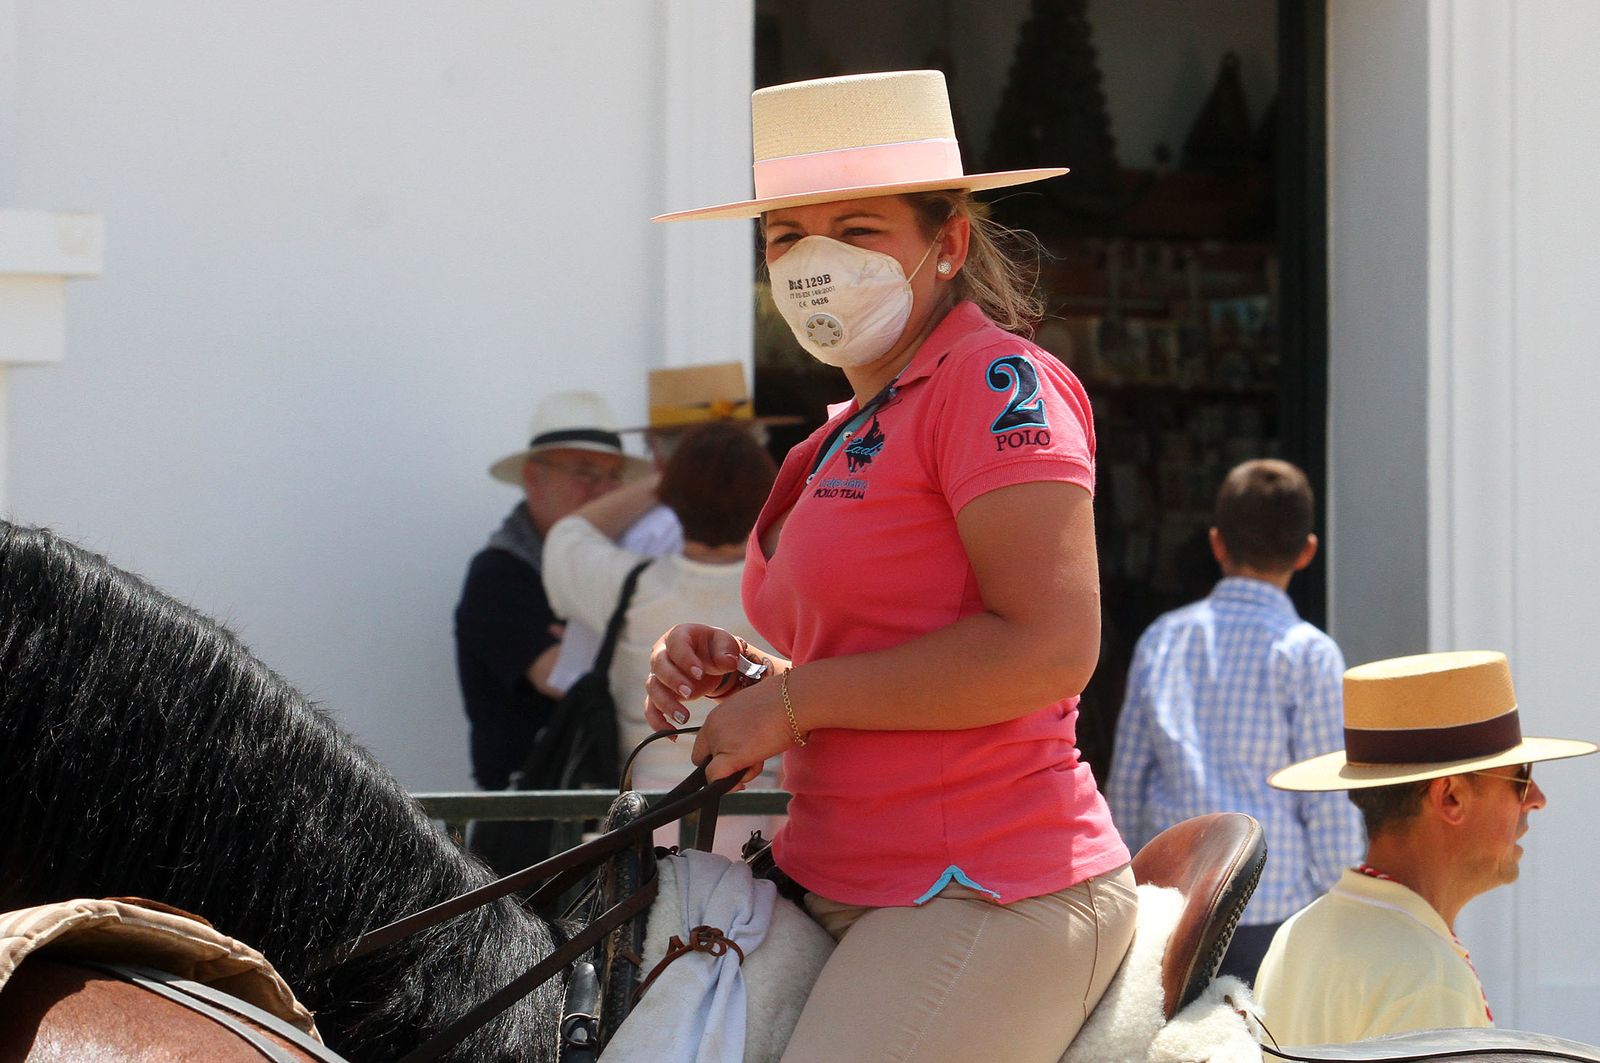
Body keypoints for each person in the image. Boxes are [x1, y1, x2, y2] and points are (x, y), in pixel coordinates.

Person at [644, 70, 1136, 1062]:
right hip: (833, 874)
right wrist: (757, 678)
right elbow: (886, 656)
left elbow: (1048, 647)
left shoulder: (995, 383)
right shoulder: (842, 429)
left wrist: (793, 704)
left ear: (948, 242)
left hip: (984, 885)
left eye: (858, 230)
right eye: (787, 237)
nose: (815, 262)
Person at [1254, 650, 1596, 1045]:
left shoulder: (1303, 930)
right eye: (1521, 778)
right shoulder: (1427, 977)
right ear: (1451, 797)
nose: (1537, 798)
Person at [1106, 458, 1364, 981]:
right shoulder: (1309, 654)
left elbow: (1127, 784)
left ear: (1217, 543)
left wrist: (1121, 892)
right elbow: (1329, 801)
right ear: (1308, 551)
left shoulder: (1163, 638)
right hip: (1274, 907)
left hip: (1173, 904)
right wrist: (1344, 902)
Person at [543, 421, 781, 856]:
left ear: (671, 497)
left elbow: (567, 535)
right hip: (768, 822)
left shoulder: (629, 586)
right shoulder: (790, 590)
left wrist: (672, 474)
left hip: (648, 819)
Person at [453, 390, 650, 794]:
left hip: (592, 804)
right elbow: (566, 678)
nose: (602, 490)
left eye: (613, 476)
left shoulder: (620, 564)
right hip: (528, 814)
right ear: (532, 477)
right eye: (584, 471)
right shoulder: (499, 573)